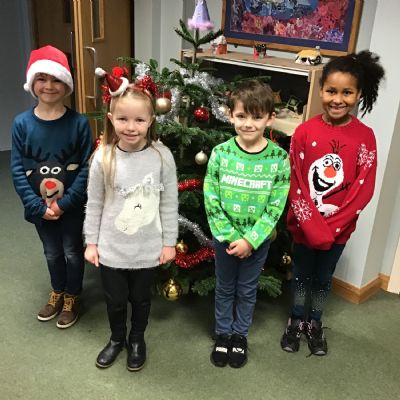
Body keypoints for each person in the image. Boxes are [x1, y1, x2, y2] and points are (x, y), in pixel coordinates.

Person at [280, 50, 385, 356]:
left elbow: (363, 190)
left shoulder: (365, 137)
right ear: (321, 90)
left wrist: (330, 229)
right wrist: (311, 226)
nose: (338, 99)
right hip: (303, 227)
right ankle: (296, 319)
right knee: (301, 275)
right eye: (331, 91)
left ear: (358, 94)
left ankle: (314, 321)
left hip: (337, 232)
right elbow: (295, 182)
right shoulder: (304, 131)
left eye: (347, 92)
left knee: (324, 279)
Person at [84, 69, 178, 371]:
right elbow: (95, 203)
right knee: (114, 300)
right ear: (111, 119)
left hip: (146, 248)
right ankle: (116, 339)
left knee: (140, 299)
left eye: (139, 120)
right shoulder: (103, 157)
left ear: (150, 121)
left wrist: (169, 243)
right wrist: (91, 242)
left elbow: (169, 203)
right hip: (111, 247)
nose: (131, 127)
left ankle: (137, 338)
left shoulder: (162, 157)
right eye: (123, 119)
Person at [204, 80, 291, 368]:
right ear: (230, 115)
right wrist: (231, 237)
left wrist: (251, 240)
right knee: (225, 288)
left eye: (256, 116)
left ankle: (239, 336)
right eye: (241, 116)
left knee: (247, 289)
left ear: (270, 118)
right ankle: (223, 334)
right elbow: (211, 199)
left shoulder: (279, 159)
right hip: (225, 240)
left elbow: (276, 205)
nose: (248, 123)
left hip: (257, 241)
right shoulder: (220, 153)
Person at [11, 45, 92, 329]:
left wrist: (64, 204)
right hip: (39, 209)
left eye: (56, 79)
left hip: (70, 207)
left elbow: (85, 168)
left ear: (67, 84)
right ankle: (57, 290)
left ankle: (72, 296)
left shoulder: (79, 124)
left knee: (72, 251)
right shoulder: (21, 124)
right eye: (42, 78)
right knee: (51, 252)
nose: (49, 85)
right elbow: (17, 170)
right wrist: (37, 206)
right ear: (32, 83)